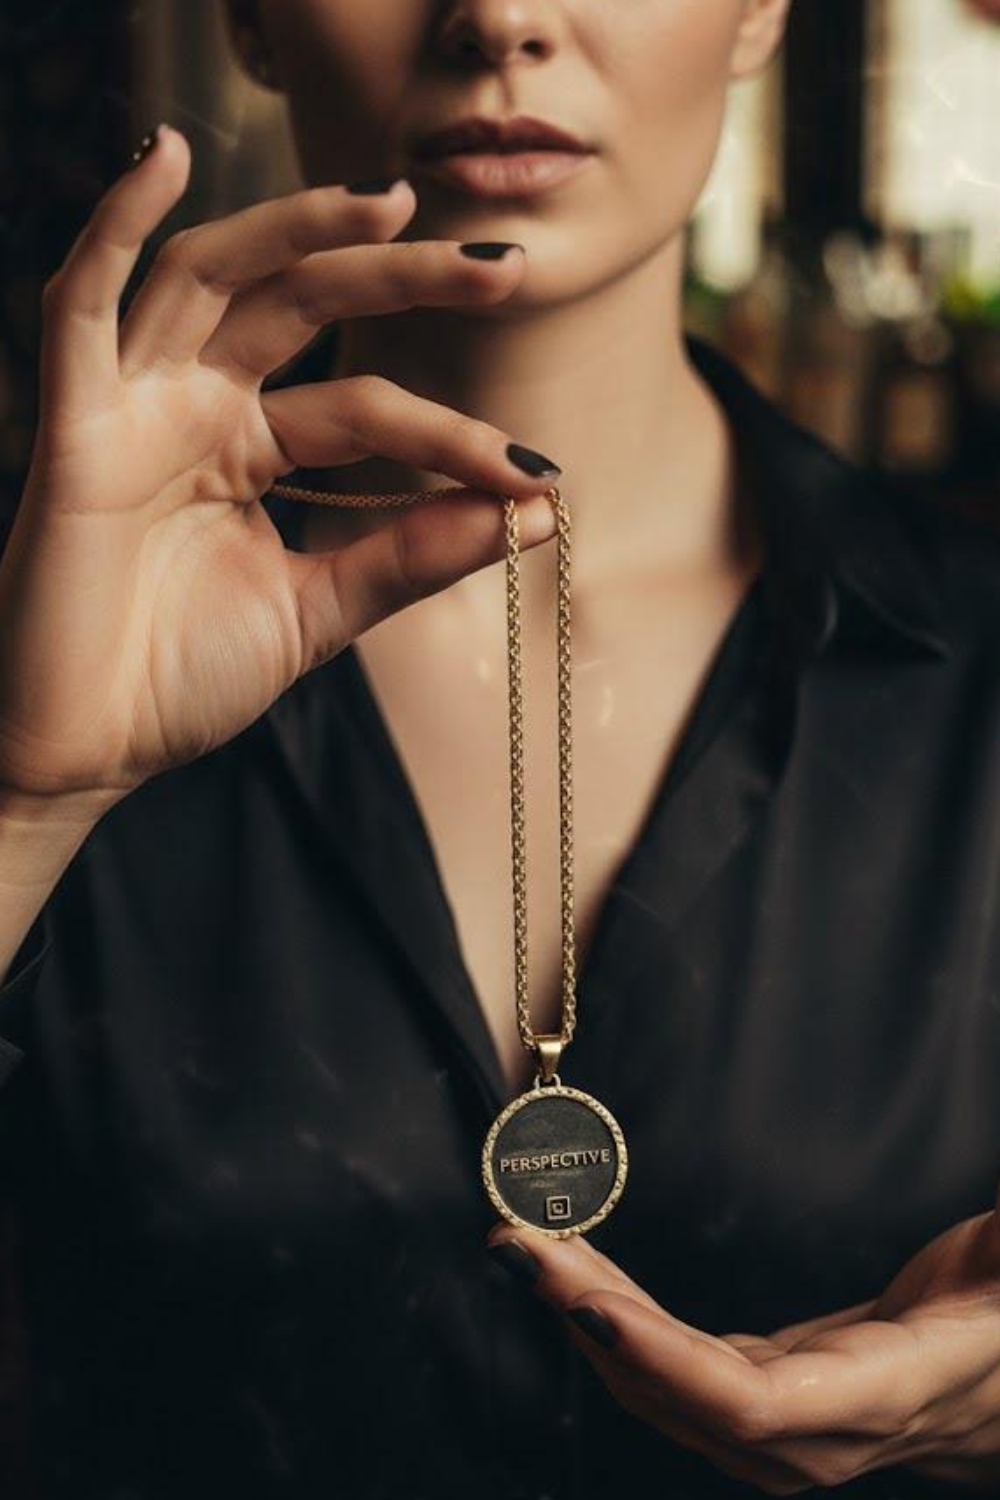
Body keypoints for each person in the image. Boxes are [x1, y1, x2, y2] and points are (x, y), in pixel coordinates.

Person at [1, 0, 1000, 1495]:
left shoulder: (974, 665)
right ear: (255, 21)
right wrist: (28, 796)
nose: (503, 18)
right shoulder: (48, 653)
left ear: (761, 14)